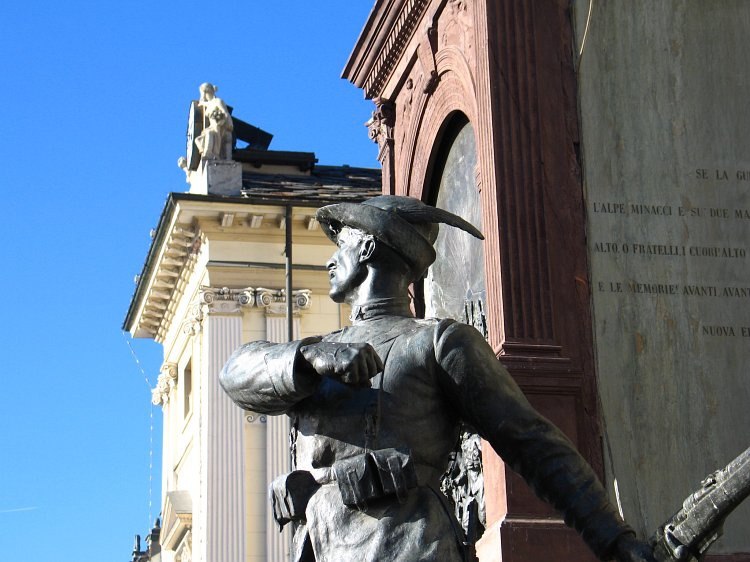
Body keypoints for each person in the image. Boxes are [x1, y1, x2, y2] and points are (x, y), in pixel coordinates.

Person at [220, 195, 655, 562]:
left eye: (342, 244)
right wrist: (311, 356)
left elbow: (533, 443)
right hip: (317, 547)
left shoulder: (438, 342)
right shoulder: (317, 352)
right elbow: (234, 372)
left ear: (367, 247)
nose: (330, 260)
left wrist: (614, 540)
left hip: (406, 547)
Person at [195, 82, 233, 160]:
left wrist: (220, 123)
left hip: (219, 127)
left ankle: (210, 153)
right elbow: (203, 103)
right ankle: (205, 151)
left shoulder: (218, 101)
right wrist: (201, 102)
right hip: (212, 126)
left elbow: (225, 113)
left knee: (209, 133)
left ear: (205, 92)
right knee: (197, 139)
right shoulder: (210, 103)